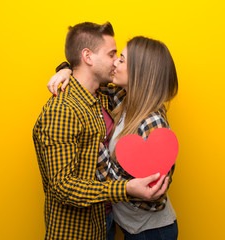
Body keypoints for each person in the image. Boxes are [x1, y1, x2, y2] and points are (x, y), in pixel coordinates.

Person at [33, 22, 170, 240]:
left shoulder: (103, 97)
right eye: (112, 54)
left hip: (107, 222)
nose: (116, 62)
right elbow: (62, 187)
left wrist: (66, 68)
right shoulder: (65, 110)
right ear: (88, 57)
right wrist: (125, 189)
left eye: (120, 57)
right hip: (77, 231)